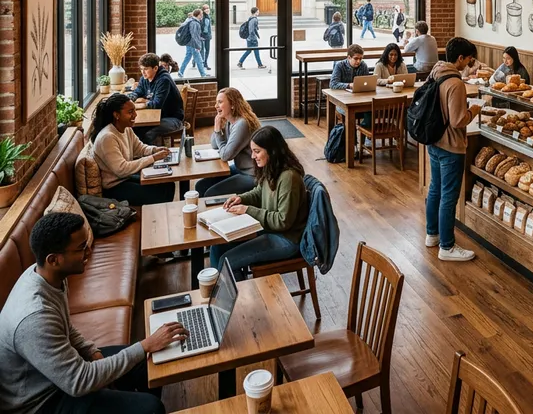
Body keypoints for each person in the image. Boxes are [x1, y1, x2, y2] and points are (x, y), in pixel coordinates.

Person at [0, 212, 187, 414]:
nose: (89, 250)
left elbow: (65, 328)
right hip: (42, 401)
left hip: (60, 376)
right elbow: (79, 382)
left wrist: (91, 351)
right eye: (81, 248)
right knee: (151, 408)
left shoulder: (47, 276)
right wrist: (143, 345)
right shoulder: (33, 319)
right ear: (54, 259)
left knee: (146, 363)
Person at [210, 126, 309, 280]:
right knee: (218, 246)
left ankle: (239, 300)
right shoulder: (272, 168)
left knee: (226, 261)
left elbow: (283, 221)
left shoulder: (289, 178)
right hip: (269, 230)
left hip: (286, 240)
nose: (253, 156)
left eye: (257, 151)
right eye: (252, 151)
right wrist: (241, 198)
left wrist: (247, 210)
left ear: (272, 151)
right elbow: (259, 192)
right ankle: (225, 293)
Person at [426, 37, 483, 262]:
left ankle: (432, 235)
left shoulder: (436, 72)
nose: (469, 63)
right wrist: (475, 110)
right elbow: (458, 120)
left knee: (435, 189)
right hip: (451, 146)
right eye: (469, 59)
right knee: (449, 197)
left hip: (434, 141)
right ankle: (447, 247)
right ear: (460, 58)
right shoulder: (456, 83)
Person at [90, 94, 175, 206]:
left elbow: (139, 148)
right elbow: (121, 169)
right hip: (115, 187)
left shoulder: (126, 128)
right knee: (162, 192)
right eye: (130, 112)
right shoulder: (108, 137)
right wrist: (153, 158)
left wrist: (154, 150)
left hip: (125, 178)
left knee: (167, 183)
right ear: (116, 115)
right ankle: (156, 219)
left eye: (134, 110)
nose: (135, 115)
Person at [195, 88, 262, 197]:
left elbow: (226, 156)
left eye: (220, 102)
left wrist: (217, 131)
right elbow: (215, 145)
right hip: (241, 168)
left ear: (232, 105)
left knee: (210, 193)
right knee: (200, 186)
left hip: (253, 174)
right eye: (216, 102)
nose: (216, 106)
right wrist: (218, 127)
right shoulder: (230, 121)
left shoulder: (242, 124)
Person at [128, 53, 185, 145]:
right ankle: (140, 156)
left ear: (155, 68)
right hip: (159, 116)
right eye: (141, 69)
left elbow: (157, 103)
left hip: (173, 119)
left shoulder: (164, 80)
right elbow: (138, 91)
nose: (143, 72)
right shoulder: (145, 78)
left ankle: (155, 156)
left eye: (146, 69)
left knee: (148, 133)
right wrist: (129, 99)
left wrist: (140, 105)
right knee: (133, 128)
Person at [178, 9, 206, 78]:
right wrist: (198, 46)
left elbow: (195, 35)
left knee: (187, 57)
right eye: (201, 14)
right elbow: (194, 35)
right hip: (193, 44)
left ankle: (180, 72)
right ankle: (203, 74)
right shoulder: (194, 23)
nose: (202, 15)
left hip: (189, 43)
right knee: (198, 59)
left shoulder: (191, 21)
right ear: (198, 15)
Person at [200, 4, 212, 72]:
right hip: (204, 36)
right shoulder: (204, 17)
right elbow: (204, 28)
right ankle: (203, 63)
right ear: (203, 10)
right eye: (205, 9)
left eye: (208, 8)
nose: (207, 10)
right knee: (204, 50)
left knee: (205, 50)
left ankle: (204, 63)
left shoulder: (207, 17)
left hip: (206, 36)